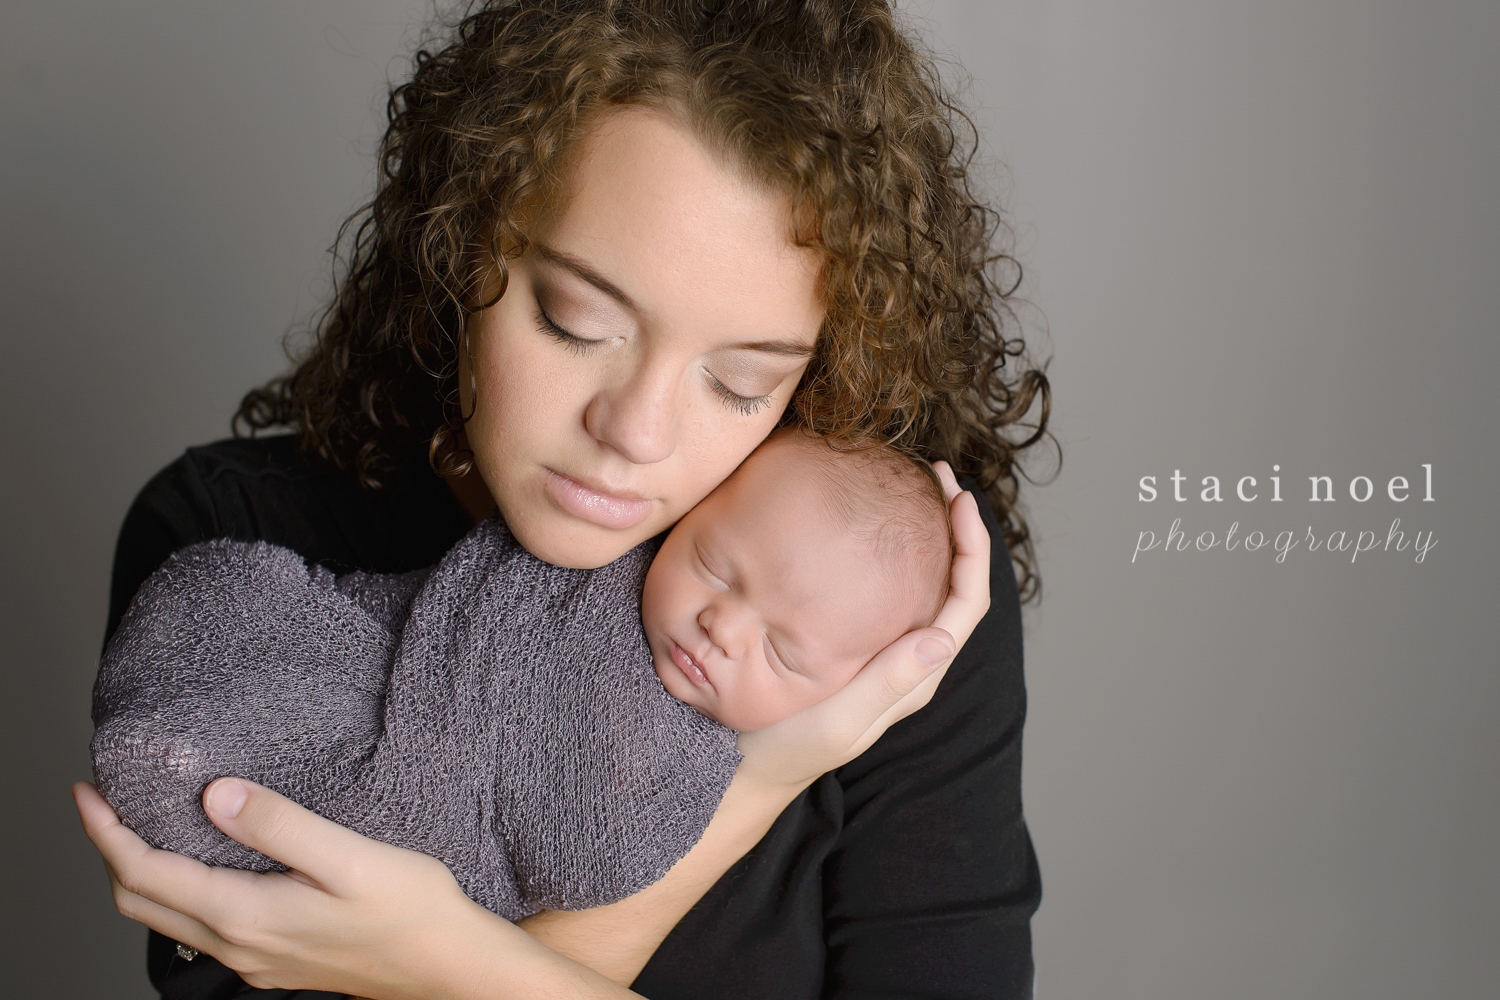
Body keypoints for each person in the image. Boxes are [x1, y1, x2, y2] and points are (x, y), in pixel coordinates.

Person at [73, 2, 1050, 997]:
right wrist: (755, 781)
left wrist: (451, 962)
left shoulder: (875, 605)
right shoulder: (233, 546)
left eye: (741, 381)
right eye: (575, 320)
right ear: (466, 243)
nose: (637, 431)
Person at [91, 432, 953, 923]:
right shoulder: (596, 566)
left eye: (783, 652)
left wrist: (769, 774)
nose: (720, 627)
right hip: (358, 655)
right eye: (714, 566)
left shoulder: (695, 773)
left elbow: (577, 853)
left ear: (856, 681)